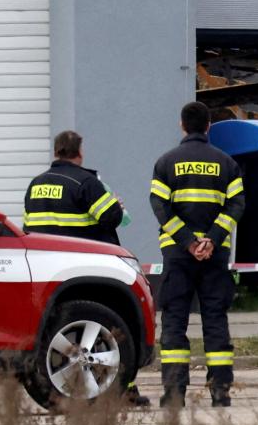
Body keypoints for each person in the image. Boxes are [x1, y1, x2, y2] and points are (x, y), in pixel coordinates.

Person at [24, 130, 148, 406]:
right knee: (110, 328)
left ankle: (68, 385)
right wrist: (115, 204)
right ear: (79, 153)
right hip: (85, 266)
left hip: (46, 268)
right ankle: (122, 390)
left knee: (62, 331)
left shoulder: (36, 184)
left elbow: (28, 226)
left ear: (56, 152)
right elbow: (112, 217)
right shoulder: (86, 181)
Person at [150, 101, 245, 408]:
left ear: (182, 125)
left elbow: (160, 207)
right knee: (215, 318)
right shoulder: (227, 163)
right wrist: (212, 240)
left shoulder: (166, 162)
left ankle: (174, 392)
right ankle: (220, 390)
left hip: (177, 255)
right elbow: (237, 205)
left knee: (175, 320)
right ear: (207, 127)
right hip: (214, 256)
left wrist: (187, 241)